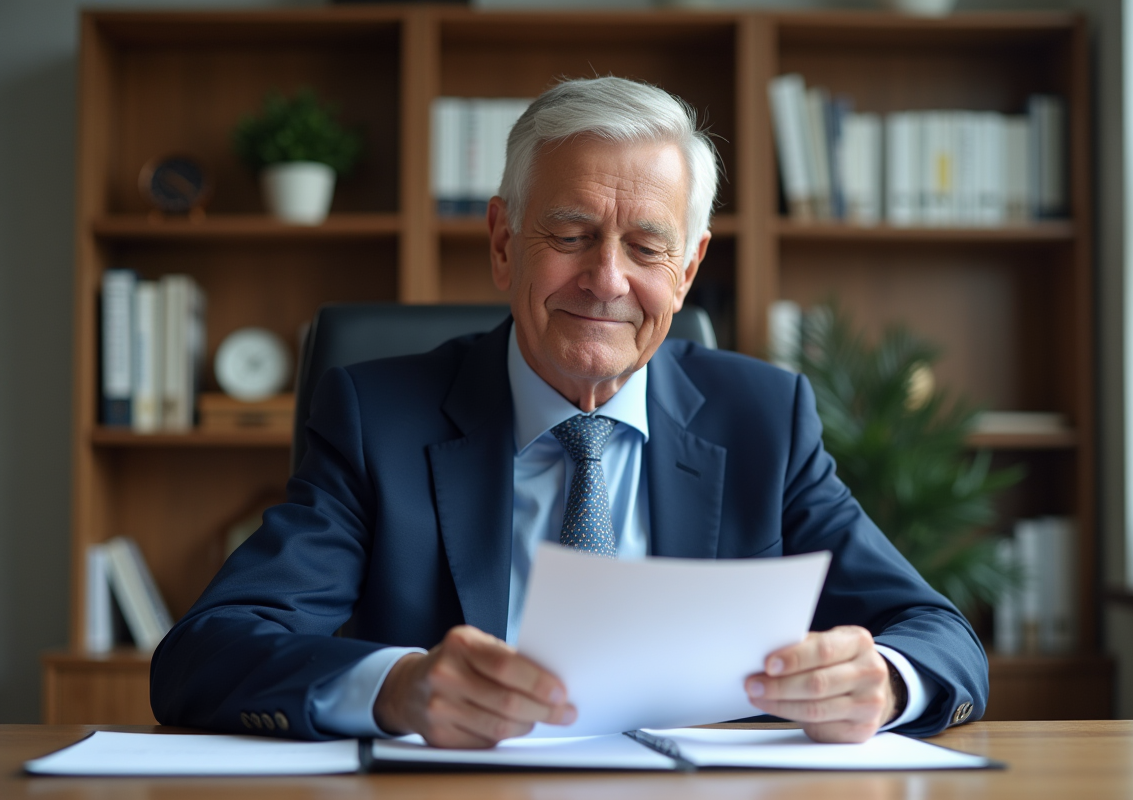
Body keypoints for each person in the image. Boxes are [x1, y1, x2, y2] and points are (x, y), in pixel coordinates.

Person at [150, 77, 987, 748]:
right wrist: (395, 688)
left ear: (688, 268)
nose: (608, 280)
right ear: (504, 242)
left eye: (647, 246)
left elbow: (939, 635)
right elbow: (207, 652)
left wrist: (885, 680)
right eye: (571, 233)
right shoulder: (381, 418)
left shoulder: (762, 417)